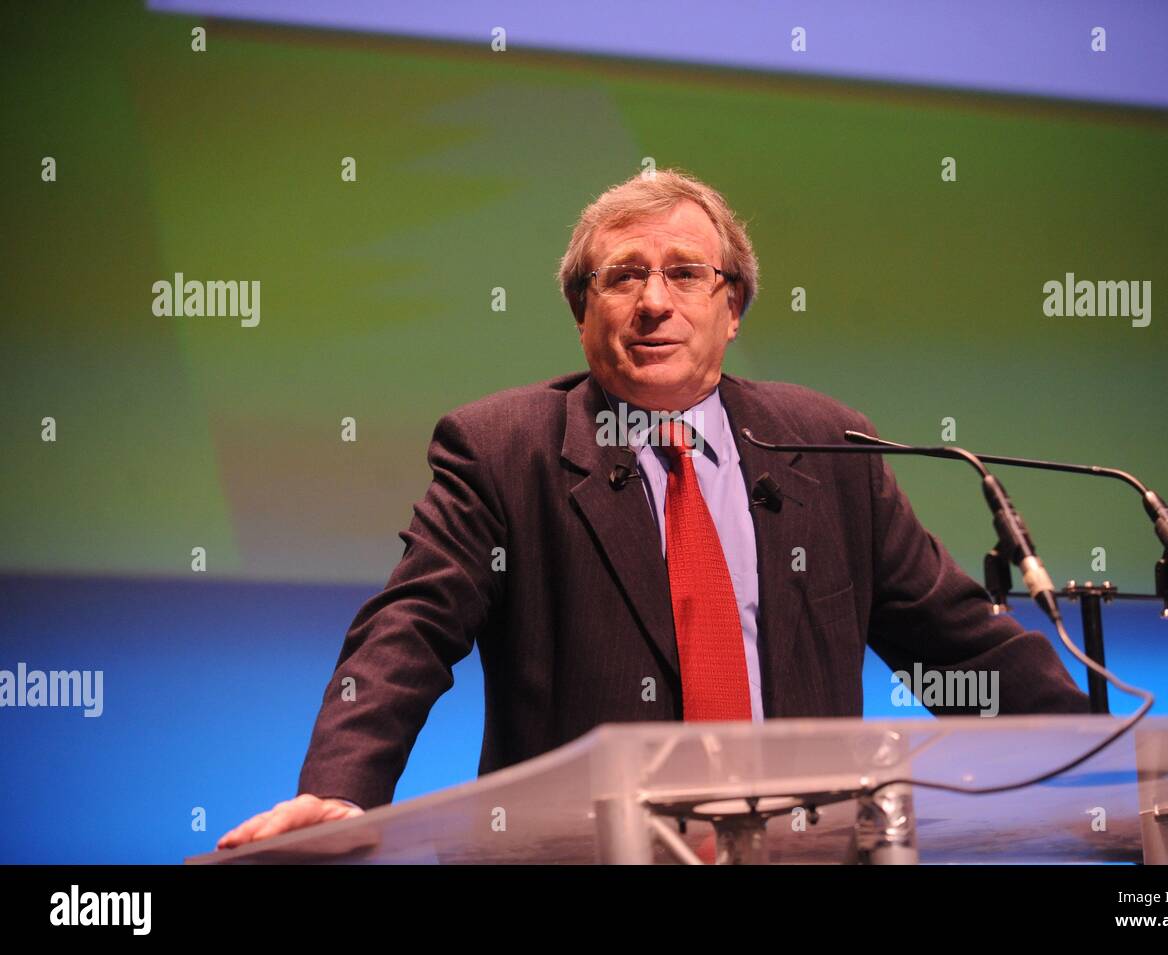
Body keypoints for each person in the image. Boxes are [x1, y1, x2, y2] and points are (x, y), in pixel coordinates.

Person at [217, 169, 1087, 850]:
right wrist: (342, 787)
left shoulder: (827, 446)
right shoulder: (502, 452)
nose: (655, 301)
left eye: (685, 273)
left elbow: (951, 638)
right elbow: (407, 628)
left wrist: (1100, 753)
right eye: (623, 276)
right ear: (581, 311)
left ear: (732, 305)